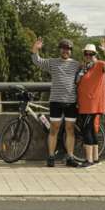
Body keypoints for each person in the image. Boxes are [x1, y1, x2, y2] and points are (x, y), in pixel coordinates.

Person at [31, 37, 84, 168]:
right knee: (54, 129)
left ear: (71, 51)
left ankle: (70, 157)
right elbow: (36, 60)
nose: (66, 51)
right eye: (64, 48)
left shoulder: (77, 65)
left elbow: (89, 70)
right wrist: (35, 48)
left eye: (68, 49)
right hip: (55, 101)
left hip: (71, 102)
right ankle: (51, 157)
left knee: (70, 130)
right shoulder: (53, 62)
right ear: (60, 50)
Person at [76, 39, 105, 167]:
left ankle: (89, 160)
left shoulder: (99, 65)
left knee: (86, 131)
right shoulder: (83, 68)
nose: (88, 56)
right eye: (86, 54)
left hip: (92, 105)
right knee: (92, 131)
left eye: (91, 54)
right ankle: (95, 159)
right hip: (85, 104)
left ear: (95, 55)